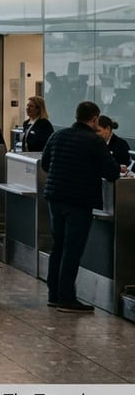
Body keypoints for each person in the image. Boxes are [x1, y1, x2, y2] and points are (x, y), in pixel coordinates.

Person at [41, 101, 121, 312]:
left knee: (58, 246)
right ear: (94, 118)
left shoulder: (57, 135)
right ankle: (67, 298)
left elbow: (45, 164)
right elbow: (112, 172)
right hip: (79, 202)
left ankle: (54, 294)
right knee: (72, 249)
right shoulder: (94, 141)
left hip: (55, 197)